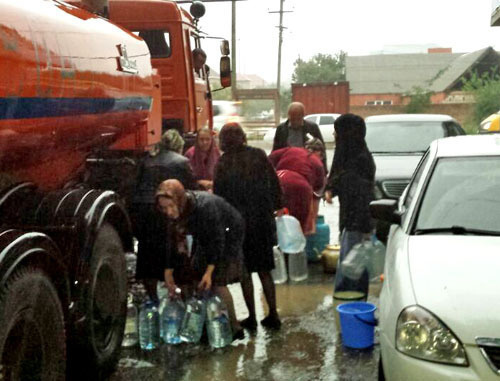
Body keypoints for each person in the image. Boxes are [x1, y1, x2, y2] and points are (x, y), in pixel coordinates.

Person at [214, 123, 284, 330]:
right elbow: (274, 183)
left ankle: (251, 318)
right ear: (243, 137)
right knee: (264, 270)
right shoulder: (258, 155)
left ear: (223, 141)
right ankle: (273, 314)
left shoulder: (223, 163)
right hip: (261, 221)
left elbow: (219, 197)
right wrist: (277, 206)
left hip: (238, 224)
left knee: (245, 272)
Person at [156, 179, 245, 340]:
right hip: (203, 235)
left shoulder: (204, 208)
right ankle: (203, 322)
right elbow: (171, 241)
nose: (168, 211)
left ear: (180, 201)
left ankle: (234, 326)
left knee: (218, 281)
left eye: (171, 206)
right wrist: (168, 271)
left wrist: (210, 272)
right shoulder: (173, 213)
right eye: (164, 208)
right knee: (195, 271)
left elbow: (217, 240)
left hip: (229, 231)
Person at [130, 129, 196, 301]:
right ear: (178, 146)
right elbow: (189, 190)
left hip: (144, 214)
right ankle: (185, 298)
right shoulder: (181, 162)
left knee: (148, 257)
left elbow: (135, 187)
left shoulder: (146, 161)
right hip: (167, 213)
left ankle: (153, 299)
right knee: (177, 256)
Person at [324, 113, 376, 298]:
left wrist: (361, 229)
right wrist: (330, 189)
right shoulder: (349, 154)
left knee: (351, 273)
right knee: (350, 269)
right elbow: (338, 176)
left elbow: (359, 194)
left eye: (337, 132)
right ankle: (350, 308)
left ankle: (351, 310)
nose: (334, 136)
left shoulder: (360, 160)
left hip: (357, 224)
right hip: (349, 222)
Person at [268, 138, 326, 235]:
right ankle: (297, 246)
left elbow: (267, 160)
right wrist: (312, 225)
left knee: (276, 218)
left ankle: (274, 241)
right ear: (319, 152)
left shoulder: (290, 149)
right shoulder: (318, 163)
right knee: (299, 228)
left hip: (279, 179)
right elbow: (315, 198)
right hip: (301, 186)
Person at [272, 102, 327, 171]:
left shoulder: (312, 128)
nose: (295, 121)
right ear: (288, 115)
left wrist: (323, 170)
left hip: (307, 166)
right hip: (286, 165)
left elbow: (321, 150)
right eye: (292, 118)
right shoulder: (281, 129)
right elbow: (275, 149)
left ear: (303, 116)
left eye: (298, 118)